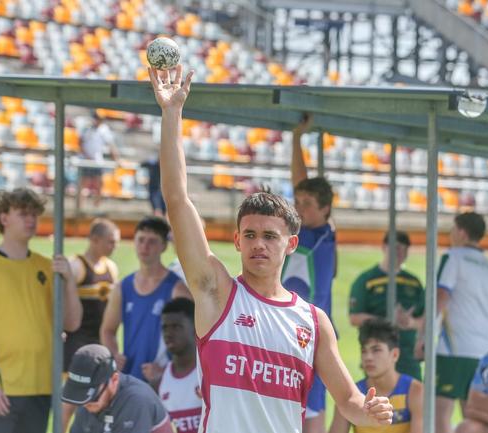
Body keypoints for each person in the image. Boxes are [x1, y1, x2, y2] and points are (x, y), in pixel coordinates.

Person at [147, 64, 393, 433]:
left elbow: (349, 402)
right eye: (249, 235)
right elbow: (178, 200)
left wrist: (370, 411)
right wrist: (172, 113)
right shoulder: (217, 293)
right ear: (237, 240)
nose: (258, 244)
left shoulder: (313, 321)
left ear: (291, 244)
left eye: (270, 236)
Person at [0, 188, 83, 433]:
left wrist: (69, 282)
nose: (31, 220)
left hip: (41, 386)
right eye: (23, 214)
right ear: (4, 218)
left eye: (35, 214)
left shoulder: (47, 267)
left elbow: (72, 322)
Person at [282, 114, 337, 433]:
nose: (299, 207)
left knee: (312, 412)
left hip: (313, 337)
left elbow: (300, 184)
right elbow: (300, 184)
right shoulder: (300, 229)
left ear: (326, 210)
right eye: (297, 202)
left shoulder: (324, 235)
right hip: (285, 329)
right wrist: (296, 139)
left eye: (307, 204)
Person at [429, 212, 488, 433]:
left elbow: (441, 299)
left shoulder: (452, 257)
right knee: (475, 417)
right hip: (485, 352)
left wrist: (423, 336)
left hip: (453, 350)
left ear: (462, 232)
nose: (450, 234)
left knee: (440, 412)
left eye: (452, 230)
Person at [100, 216, 190, 382]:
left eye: (152, 241)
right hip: (130, 379)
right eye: (140, 240)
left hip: (164, 383)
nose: (144, 246)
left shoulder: (176, 289)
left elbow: (194, 339)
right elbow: (108, 330)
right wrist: (114, 354)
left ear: (163, 246)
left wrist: (167, 370)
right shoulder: (123, 287)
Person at [62, 218, 120, 432]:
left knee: (97, 400)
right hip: (76, 343)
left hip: (99, 345)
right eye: (110, 241)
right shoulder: (76, 266)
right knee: (69, 402)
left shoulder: (111, 268)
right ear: (94, 240)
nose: (114, 246)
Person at [349, 231, 425, 380]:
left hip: (408, 356)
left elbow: (425, 320)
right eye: (396, 247)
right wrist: (387, 320)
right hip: (378, 354)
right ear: (384, 247)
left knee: (413, 398)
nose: (400, 253)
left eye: (404, 249)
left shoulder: (414, 282)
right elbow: (355, 318)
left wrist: (411, 323)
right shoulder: (367, 280)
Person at [328, 318, 423, 433]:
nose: (368, 357)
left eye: (376, 350)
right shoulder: (350, 394)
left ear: (395, 355)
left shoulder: (415, 391)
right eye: (364, 351)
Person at [62, 344, 174, 433]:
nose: (87, 404)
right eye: (81, 397)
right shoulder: (87, 403)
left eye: (93, 396)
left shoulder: (137, 400)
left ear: (114, 379)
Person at [156, 298, 202, 433]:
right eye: (165, 327)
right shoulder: (159, 382)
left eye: (176, 327)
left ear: (196, 328)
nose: (168, 334)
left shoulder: (211, 373)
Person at [78, 112, 121, 207]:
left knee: (98, 184)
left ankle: (96, 206)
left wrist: (116, 159)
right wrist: (86, 155)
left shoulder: (104, 129)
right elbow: (80, 143)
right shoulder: (86, 129)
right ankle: (81, 206)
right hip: (86, 160)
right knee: (83, 184)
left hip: (97, 161)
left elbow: (111, 146)